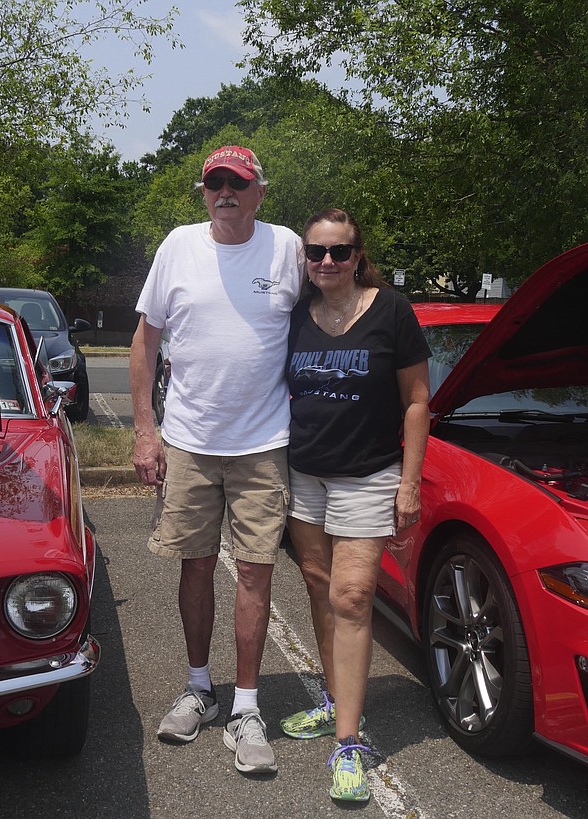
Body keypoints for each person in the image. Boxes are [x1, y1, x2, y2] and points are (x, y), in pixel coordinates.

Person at [129, 145, 304, 774]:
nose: (225, 191)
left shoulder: (286, 247)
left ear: (260, 190)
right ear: (204, 192)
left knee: (256, 573)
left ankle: (248, 708)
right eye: (214, 183)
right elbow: (146, 342)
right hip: (190, 443)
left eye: (238, 182)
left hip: (263, 446)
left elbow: (327, 315)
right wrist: (146, 432)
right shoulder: (178, 245)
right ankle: (198, 687)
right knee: (195, 568)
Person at [279, 209, 431, 801]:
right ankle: (337, 700)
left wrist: (409, 483)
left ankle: (348, 744)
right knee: (319, 584)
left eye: (338, 252)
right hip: (305, 473)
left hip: (368, 475)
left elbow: (417, 401)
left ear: (357, 255)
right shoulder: (296, 315)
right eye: (315, 253)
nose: (325, 263)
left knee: (353, 595)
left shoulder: (391, 310)